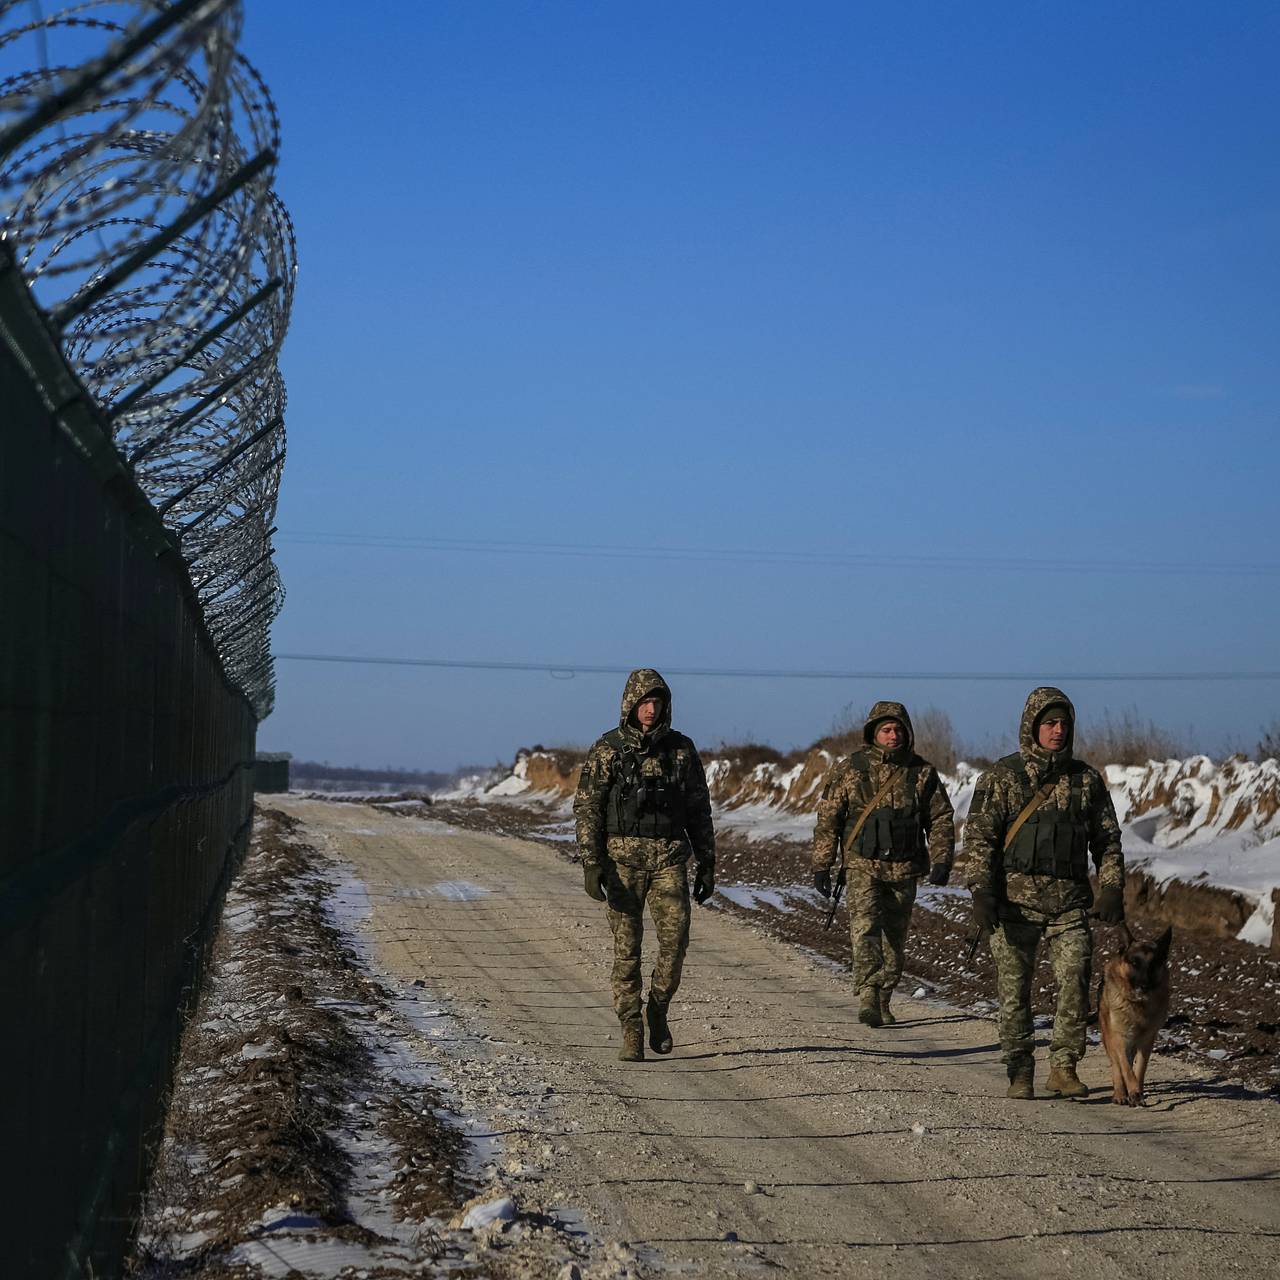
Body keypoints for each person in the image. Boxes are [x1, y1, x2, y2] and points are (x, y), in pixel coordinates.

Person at [964, 686, 1125, 1100]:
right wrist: (981, 892)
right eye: (1050, 723)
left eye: (1064, 723)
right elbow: (980, 839)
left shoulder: (1086, 781)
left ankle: (1064, 1067)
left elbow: (1107, 840)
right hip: (1013, 905)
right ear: (1032, 726)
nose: (1058, 730)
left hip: (1069, 904)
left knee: (1075, 979)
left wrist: (1111, 888)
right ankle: (1019, 1069)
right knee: (1014, 989)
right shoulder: (1002, 778)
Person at [573, 669, 716, 1062]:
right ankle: (631, 1027)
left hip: (669, 859)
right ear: (631, 705)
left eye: (657, 702)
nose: (651, 710)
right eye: (644, 703)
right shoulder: (609, 749)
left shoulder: (682, 750)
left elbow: (699, 810)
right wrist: (592, 863)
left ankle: (658, 1007)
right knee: (627, 950)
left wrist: (707, 864)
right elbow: (588, 808)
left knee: (675, 942)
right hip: (622, 863)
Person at [811, 701, 955, 1028]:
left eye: (898, 730)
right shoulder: (851, 769)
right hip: (863, 865)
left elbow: (941, 819)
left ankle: (884, 996)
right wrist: (822, 862)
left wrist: (943, 859)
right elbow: (828, 818)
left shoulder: (922, 773)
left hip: (905, 869)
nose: (893, 736)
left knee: (895, 938)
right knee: (865, 930)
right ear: (874, 733)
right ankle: (868, 994)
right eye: (886, 730)